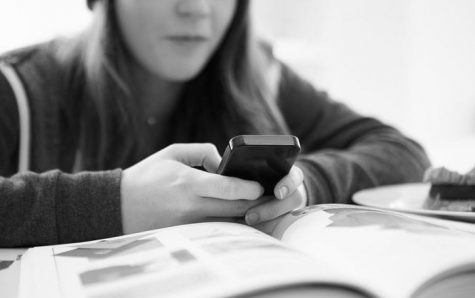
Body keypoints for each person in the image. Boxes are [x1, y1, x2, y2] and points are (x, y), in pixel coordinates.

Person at [0, 0, 430, 247]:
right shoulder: (17, 89)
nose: (197, 8)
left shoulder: (261, 77)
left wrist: (303, 184)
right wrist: (115, 202)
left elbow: (401, 152)